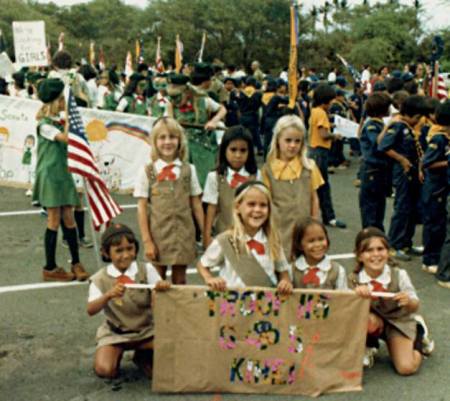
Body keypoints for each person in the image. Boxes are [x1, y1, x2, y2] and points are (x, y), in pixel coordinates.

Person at [87, 223, 170, 378]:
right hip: (116, 333)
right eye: (118, 250)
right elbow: (90, 310)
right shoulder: (100, 278)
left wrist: (162, 290)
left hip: (146, 331)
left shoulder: (146, 270)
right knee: (105, 370)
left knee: (165, 367)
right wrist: (108, 295)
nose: (125, 255)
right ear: (106, 253)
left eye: (130, 248)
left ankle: (142, 355)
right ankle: (118, 352)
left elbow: (162, 302)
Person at [349, 227, 433, 371]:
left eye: (380, 249)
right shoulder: (354, 280)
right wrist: (355, 297)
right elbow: (346, 313)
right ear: (359, 256)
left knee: (407, 368)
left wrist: (408, 302)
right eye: (369, 250)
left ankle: (418, 334)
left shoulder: (399, 275)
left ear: (388, 252)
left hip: (398, 322)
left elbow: (415, 304)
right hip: (373, 322)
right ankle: (369, 345)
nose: (376, 254)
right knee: (365, 319)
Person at [134, 117, 204, 284]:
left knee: (180, 280)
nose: (167, 142)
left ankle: (178, 310)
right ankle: (158, 311)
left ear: (180, 141)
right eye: (162, 137)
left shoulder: (189, 170)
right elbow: (142, 207)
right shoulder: (147, 171)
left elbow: (196, 204)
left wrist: (206, 234)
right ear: (154, 141)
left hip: (184, 235)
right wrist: (147, 241)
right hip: (158, 235)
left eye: (172, 137)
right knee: (157, 281)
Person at [32, 78, 89, 282]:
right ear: (55, 101)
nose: (64, 102)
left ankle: (76, 262)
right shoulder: (45, 125)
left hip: (63, 174)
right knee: (54, 219)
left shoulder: (58, 121)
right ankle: (50, 267)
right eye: (62, 99)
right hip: (50, 175)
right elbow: (65, 138)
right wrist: (71, 120)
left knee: (69, 217)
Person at [197, 180, 292, 293]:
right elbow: (202, 264)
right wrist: (210, 278)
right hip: (232, 305)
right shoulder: (225, 240)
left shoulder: (272, 240)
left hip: (265, 305)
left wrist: (285, 282)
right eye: (251, 204)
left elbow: (283, 272)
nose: (257, 210)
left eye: (263, 205)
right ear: (238, 207)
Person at [262, 115, 324, 256]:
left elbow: (314, 198)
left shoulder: (309, 167)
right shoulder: (268, 170)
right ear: (278, 140)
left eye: (297, 141)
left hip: (305, 230)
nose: (292, 145)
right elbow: (267, 202)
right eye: (288, 140)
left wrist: (315, 223)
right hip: (279, 230)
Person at [378, 95, 427, 261]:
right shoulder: (398, 126)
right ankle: (394, 244)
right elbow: (383, 146)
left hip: (413, 172)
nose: (419, 120)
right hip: (402, 172)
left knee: (412, 208)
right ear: (410, 114)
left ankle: (406, 242)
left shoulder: (408, 127)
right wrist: (401, 159)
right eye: (418, 117)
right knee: (402, 207)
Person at [203, 126, 258, 248]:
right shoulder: (215, 177)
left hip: (251, 235)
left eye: (243, 150)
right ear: (224, 150)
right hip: (223, 234)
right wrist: (207, 236)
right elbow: (211, 208)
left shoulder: (256, 176)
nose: (238, 155)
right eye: (233, 150)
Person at [308, 84, 347, 229]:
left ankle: (322, 215)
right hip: (320, 152)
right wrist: (335, 136)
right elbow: (324, 135)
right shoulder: (321, 113)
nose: (331, 104)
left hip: (313, 151)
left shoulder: (314, 111)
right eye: (330, 101)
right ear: (325, 101)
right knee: (322, 186)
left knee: (317, 185)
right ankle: (329, 217)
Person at [421, 101, 449, 274]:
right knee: (433, 223)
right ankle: (429, 259)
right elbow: (427, 162)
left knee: (440, 223)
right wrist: (447, 162)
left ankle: (436, 255)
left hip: (442, 186)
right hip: (434, 187)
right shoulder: (439, 138)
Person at [359, 92, 392, 231]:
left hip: (381, 171)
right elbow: (379, 143)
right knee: (370, 210)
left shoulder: (379, 124)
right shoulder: (371, 125)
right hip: (372, 170)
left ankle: (378, 236)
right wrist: (388, 126)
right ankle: (369, 239)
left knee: (379, 208)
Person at [290, 217, 347, 289]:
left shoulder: (338, 271)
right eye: (311, 241)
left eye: (321, 239)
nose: (317, 245)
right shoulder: (291, 271)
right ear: (299, 245)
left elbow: (344, 298)